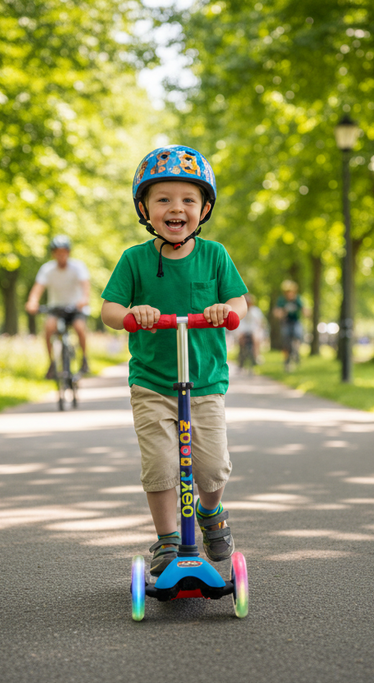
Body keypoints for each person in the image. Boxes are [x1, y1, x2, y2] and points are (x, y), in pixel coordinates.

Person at [101, 144, 248, 576]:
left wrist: (225, 308)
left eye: (188, 199)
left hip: (204, 382)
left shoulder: (215, 255)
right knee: (162, 466)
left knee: (211, 466)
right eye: (163, 199)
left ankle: (211, 513)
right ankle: (167, 540)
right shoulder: (134, 260)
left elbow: (239, 298)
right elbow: (109, 310)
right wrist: (133, 314)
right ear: (144, 209)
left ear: (204, 209)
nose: (175, 208)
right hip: (152, 382)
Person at [25, 235, 91, 379]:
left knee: (80, 328)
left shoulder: (78, 267)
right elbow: (37, 289)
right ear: (53, 254)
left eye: (63, 252)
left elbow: (85, 287)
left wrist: (84, 299)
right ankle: (52, 364)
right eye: (57, 252)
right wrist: (32, 301)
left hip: (75, 308)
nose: (61, 255)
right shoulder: (47, 269)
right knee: (48, 329)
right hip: (56, 308)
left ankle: (84, 359)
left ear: (68, 253)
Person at [273, 279, 305, 371]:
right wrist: (281, 313)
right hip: (286, 322)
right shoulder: (282, 300)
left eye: (291, 291)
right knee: (286, 341)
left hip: (296, 321)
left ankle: (296, 352)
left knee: (298, 335)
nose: (289, 294)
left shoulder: (297, 299)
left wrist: (305, 311)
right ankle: (286, 361)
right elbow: (276, 312)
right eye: (287, 292)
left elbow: (304, 309)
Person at [233, 292, 267, 366]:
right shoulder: (241, 310)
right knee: (240, 338)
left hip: (253, 329)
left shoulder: (256, 311)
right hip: (243, 329)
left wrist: (260, 329)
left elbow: (260, 322)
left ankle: (256, 355)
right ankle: (241, 355)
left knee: (256, 339)